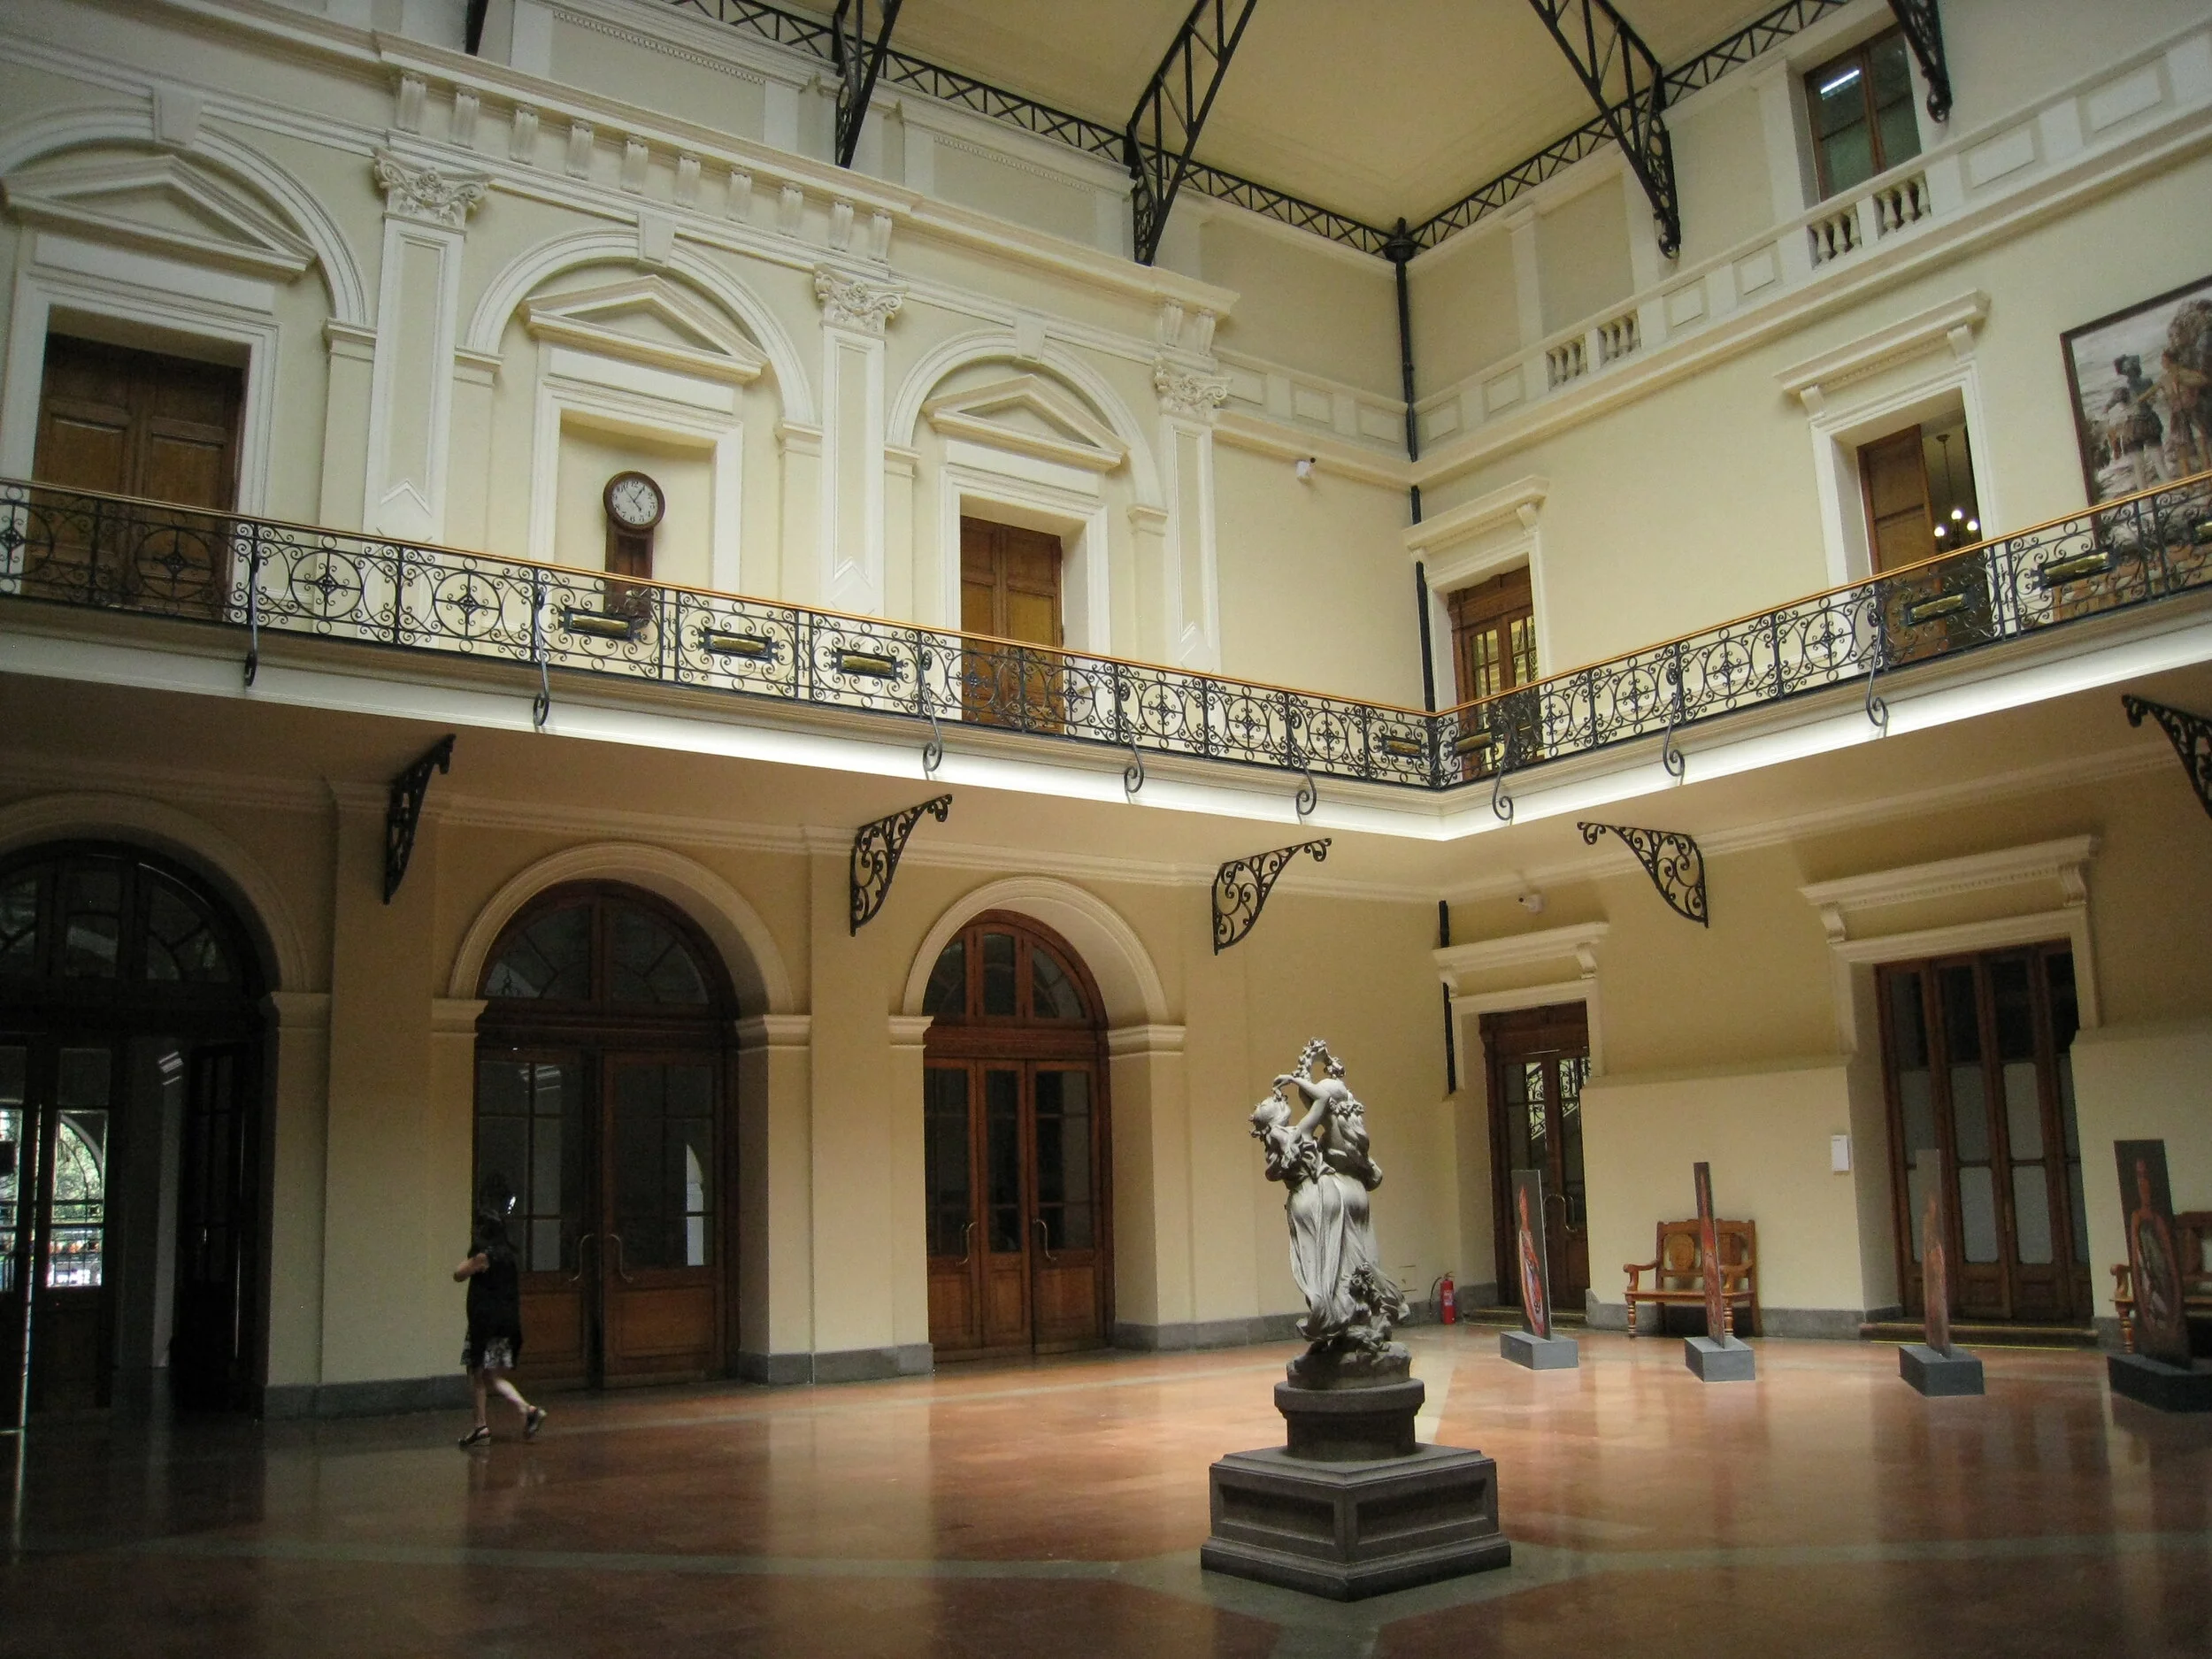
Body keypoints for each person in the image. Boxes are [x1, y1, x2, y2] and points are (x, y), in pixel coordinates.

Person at [454, 1172, 545, 1448]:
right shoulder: (508, 1256)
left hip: (484, 1323)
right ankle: (527, 1410)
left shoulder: (484, 1257)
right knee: (492, 1375)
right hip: (506, 1323)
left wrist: (473, 1256)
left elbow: (458, 1274)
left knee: (477, 1372)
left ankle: (480, 1426)